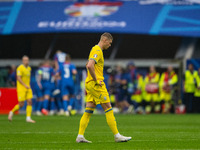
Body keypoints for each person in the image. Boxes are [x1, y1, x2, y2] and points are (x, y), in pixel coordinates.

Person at [76, 32, 131, 143]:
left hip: (90, 84)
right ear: (105, 40)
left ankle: (80, 136)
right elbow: (90, 65)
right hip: (96, 84)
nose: (110, 45)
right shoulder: (97, 50)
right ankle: (117, 136)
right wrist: (96, 79)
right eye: (110, 43)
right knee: (108, 108)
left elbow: (88, 64)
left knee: (88, 110)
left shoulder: (94, 50)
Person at [8, 56, 35, 123]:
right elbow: (18, 78)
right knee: (21, 104)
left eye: (27, 60)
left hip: (28, 87)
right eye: (25, 60)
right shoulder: (20, 68)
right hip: (21, 88)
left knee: (30, 101)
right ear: (22, 61)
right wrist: (25, 85)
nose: (26, 61)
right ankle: (12, 112)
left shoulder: (29, 68)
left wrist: (27, 85)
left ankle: (28, 118)